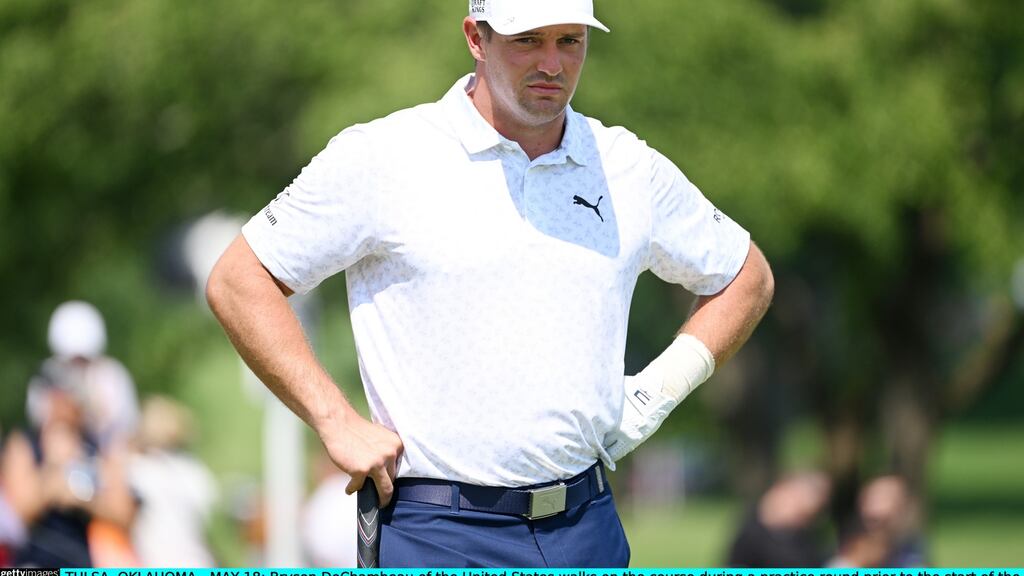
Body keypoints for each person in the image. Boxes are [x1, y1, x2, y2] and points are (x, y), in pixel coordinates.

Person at [206, 0, 773, 567]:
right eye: (528, 40)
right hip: (435, 527)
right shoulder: (385, 155)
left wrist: (652, 396)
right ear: (476, 38)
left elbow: (746, 275)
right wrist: (334, 419)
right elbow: (240, 279)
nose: (552, 62)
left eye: (570, 41)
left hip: (586, 525)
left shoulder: (626, 165)